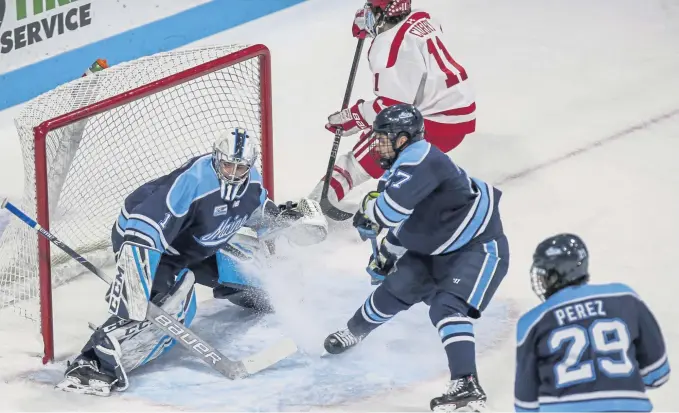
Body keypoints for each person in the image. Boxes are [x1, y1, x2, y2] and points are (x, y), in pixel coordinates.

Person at [56, 128, 328, 396]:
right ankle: (91, 363)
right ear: (215, 159)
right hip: (155, 247)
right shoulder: (193, 182)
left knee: (257, 287)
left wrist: (287, 217)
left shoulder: (252, 183)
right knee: (164, 302)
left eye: (240, 168)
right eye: (227, 165)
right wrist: (137, 279)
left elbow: (257, 214)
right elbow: (145, 226)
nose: (233, 174)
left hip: (202, 247)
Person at [322, 104, 508, 412]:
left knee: (447, 307)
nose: (378, 145)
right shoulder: (402, 169)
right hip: (433, 250)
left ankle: (467, 385)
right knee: (392, 291)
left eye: (383, 138)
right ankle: (354, 332)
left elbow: (389, 211)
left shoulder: (419, 159)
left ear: (403, 139)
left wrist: (369, 211)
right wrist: (386, 255)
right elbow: (411, 222)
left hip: (475, 248)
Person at [310, 0, 476, 219]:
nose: (367, 11)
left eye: (372, 8)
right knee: (388, 147)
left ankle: (309, 210)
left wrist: (354, 117)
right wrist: (375, 23)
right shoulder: (423, 17)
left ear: (384, 11)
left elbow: (393, 107)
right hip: (458, 114)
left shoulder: (389, 45)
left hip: (434, 124)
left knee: (358, 160)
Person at [514, 234, 670, 412]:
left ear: (557, 275)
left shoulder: (532, 322)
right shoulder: (625, 297)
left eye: (546, 275)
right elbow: (658, 374)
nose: (541, 281)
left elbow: (525, 406)